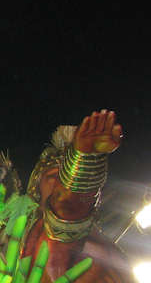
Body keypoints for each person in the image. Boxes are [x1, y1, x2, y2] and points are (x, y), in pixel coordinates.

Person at [21, 110, 131, 282]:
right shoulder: (16, 238)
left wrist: (84, 160)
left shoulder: (103, 250)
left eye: (64, 176)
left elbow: (67, 209)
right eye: (53, 176)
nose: (60, 183)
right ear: (36, 186)